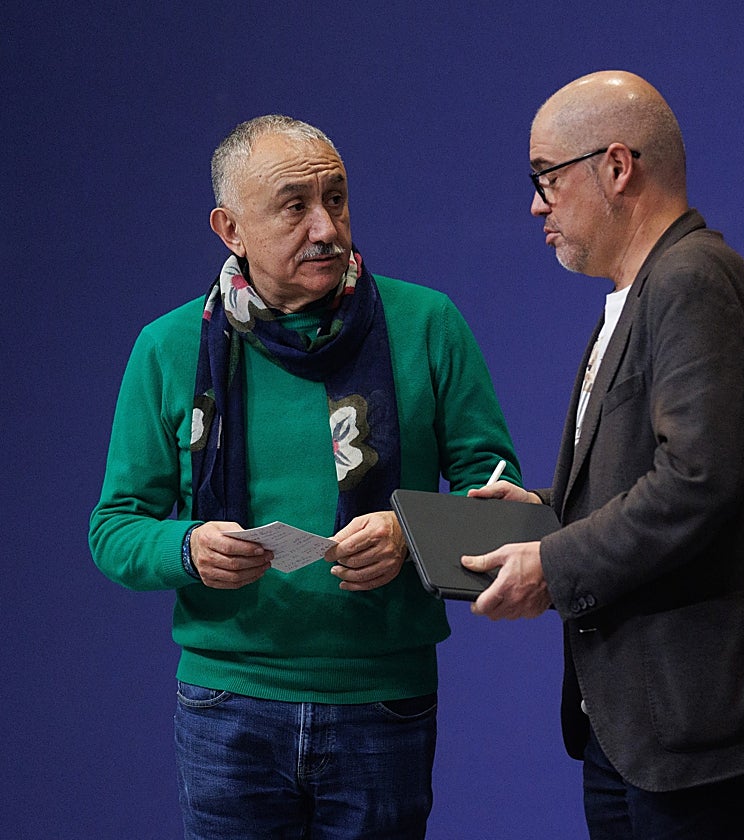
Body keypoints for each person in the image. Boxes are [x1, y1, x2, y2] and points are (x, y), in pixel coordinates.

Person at [89, 114, 520, 839]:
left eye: (337, 199)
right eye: (295, 206)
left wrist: (411, 534)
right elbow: (115, 528)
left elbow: (503, 506)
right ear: (230, 229)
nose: (326, 228)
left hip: (383, 701)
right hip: (227, 705)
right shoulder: (167, 347)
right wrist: (187, 549)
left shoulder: (427, 324)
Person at [462, 71, 744, 839]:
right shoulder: (647, 290)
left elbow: (699, 480)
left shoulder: (690, 281)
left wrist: (554, 563)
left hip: (693, 724)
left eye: (546, 177)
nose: (537, 204)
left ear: (616, 167)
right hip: (636, 725)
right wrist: (548, 513)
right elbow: (655, 472)